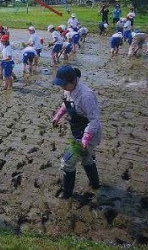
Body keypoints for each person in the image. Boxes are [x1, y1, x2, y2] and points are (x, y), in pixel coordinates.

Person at [51, 66, 102, 199]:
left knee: (67, 162)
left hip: (90, 133)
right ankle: (96, 184)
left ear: (73, 80)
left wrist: (85, 139)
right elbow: (66, 105)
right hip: (78, 129)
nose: (62, 87)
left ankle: (67, 193)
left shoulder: (86, 96)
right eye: (60, 84)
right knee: (86, 158)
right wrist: (58, 116)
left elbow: (94, 121)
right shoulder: (68, 91)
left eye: (63, 84)